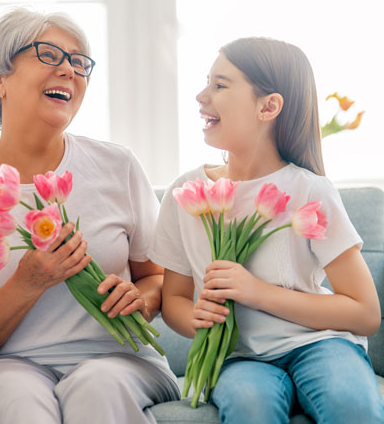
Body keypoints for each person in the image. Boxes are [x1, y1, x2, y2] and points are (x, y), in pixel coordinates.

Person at [0, 7, 180, 424]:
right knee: (18, 400)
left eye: (79, 61)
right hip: (11, 365)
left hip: (119, 359)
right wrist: (27, 283)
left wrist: (144, 297)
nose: (69, 70)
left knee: (94, 386)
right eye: (48, 54)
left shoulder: (117, 166)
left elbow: (158, 278)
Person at [152, 37, 384, 423]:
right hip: (239, 356)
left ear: (269, 106)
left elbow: (364, 313)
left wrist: (257, 292)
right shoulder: (188, 193)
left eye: (220, 85)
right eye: (206, 82)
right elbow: (172, 297)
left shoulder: (309, 190)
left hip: (320, 344)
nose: (201, 95)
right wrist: (195, 318)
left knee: (351, 404)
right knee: (250, 407)